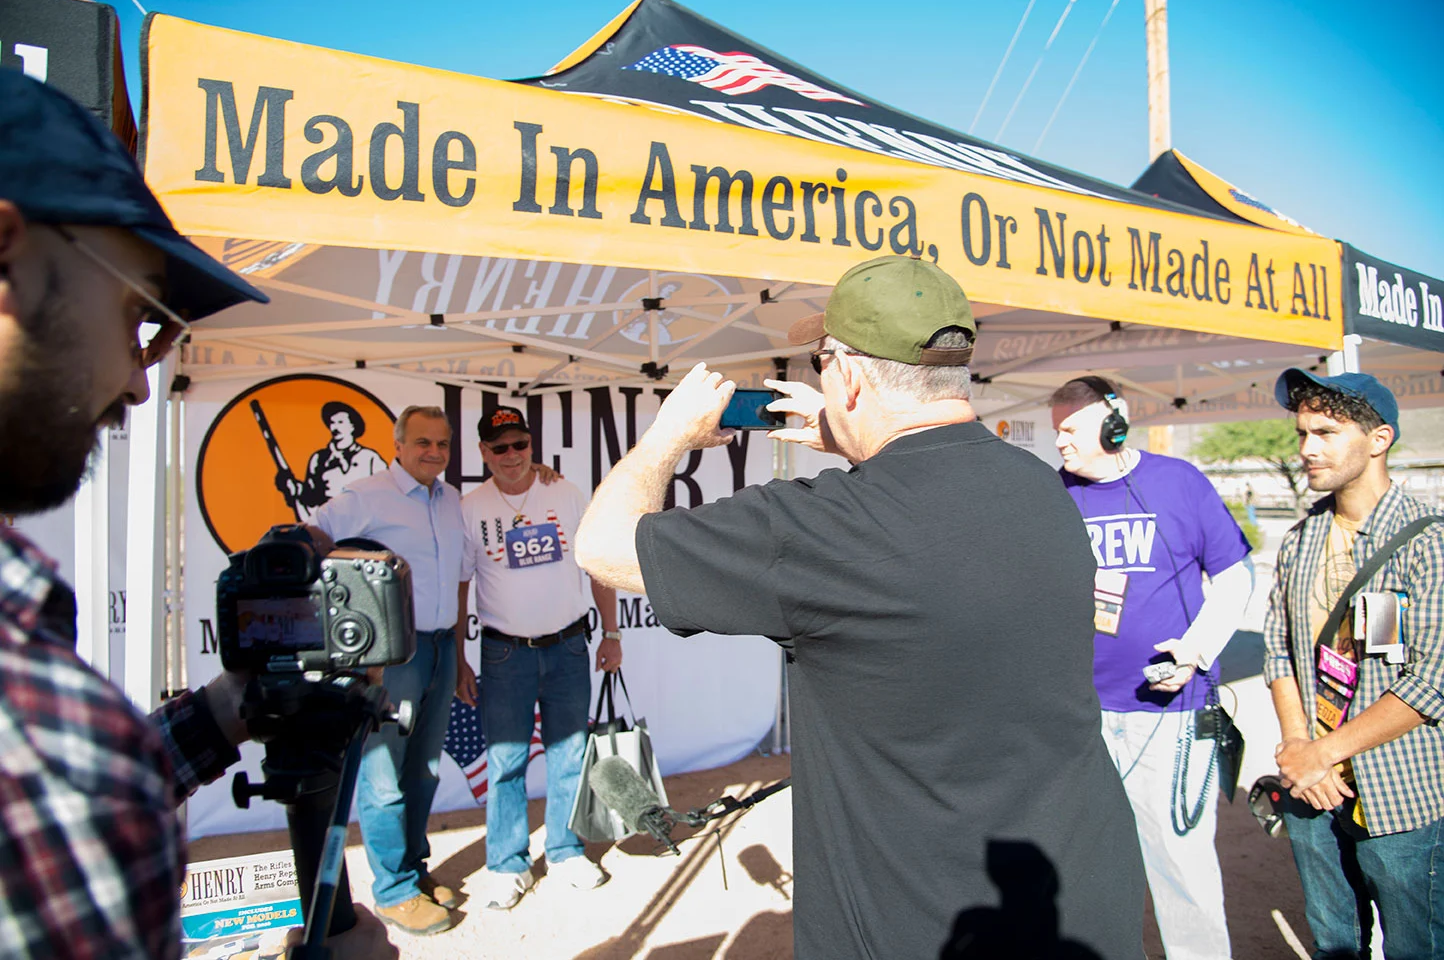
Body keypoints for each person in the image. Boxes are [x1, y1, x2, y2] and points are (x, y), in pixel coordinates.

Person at [574, 255, 1146, 960]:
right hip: (1080, 896)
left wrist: (665, 438)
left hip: (925, 923)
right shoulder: (1037, 484)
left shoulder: (822, 528)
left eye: (822, 363)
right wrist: (858, 443)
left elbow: (601, 546)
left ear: (846, 376)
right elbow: (924, 529)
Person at [0, 69, 393, 958]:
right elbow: (70, 798)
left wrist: (221, 714)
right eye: (138, 317)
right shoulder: (39, 736)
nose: (139, 383)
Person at [1048, 376, 1254, 960]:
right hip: (1081, 718)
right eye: (1056, 429)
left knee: (1179, 870)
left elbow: (1235, 577)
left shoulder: (1178, 482)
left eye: (1071, 428)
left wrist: (1198, 648)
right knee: (1084, 867)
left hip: (1169, 713)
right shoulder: (1052, 495)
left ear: (1114, 423)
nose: (1060, 441)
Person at [1264, 368, 1444, 958]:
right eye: (1302, 433)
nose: (1307, 448)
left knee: (1416, 948)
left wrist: (1322, 753)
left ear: (1379, 439)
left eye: (1326, 432)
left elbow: (1431, 682)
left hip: (1399, 790)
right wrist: (1299, 746)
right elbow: (1279, 649)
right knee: (1334, 945)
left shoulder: (1427, 542)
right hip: (1311, 789)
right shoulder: (1300, 539)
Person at [307, 405, 466, 936]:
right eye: (423, 442)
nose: (434, 452)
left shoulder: (452, 500)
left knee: (423, 769)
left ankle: (412, 870)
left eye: (442, 443)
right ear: (398, 445)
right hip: (390, 658)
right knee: (382, 776)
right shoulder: (368, 496)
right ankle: (394, 891)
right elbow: (312, 536)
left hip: (441, 647)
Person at [460, 405, 622, 909]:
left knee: (569, 755)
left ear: (532, 445)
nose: (512, 455)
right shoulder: (470, 507)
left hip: (569, 646)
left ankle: (565, 851)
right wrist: (458, 656)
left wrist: (612, 632)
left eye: (521, 444)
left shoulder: (565, 492)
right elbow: (461, 584)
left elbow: (596, 566)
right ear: (484, 452)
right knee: (505, 762)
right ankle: (507, 864)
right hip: (504, 652)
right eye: (500, 447)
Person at [279, 401, 387, 521]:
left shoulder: (370, 458)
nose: (335, 427)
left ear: (352, 426)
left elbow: (386, 496)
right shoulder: (318, 459)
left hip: (362, 524)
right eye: (332, 423)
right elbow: (310, 498)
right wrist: (296, 489)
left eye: (340, 422)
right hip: (327, 524)